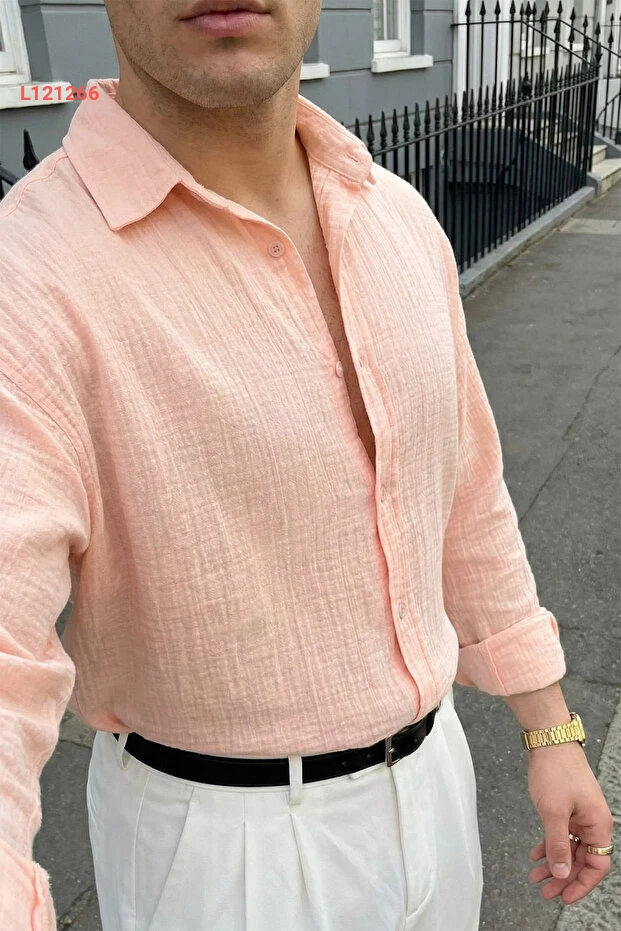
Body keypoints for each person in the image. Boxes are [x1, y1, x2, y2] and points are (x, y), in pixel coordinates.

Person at [0, 1, 614, 928]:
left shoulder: (394, 214)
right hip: (222, 855)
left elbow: (464, 497)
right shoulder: (31, 278)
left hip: (436, 782)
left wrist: (550, 723)